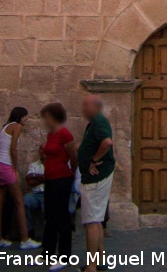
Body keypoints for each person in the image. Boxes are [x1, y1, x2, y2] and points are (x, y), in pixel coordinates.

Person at [0, 107, 40, 251]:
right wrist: (15, 168)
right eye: (25, 117)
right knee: (19, 202)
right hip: (6, 166)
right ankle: (25, 239)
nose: (27, 119)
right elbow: (13, 149)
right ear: (20, 117)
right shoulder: (16, 126)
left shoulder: (5, 127)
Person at [77, 96, 115, 272]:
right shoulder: (96, 122)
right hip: (98, 176)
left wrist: (93, 160)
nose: (83, 108)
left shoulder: (99, 121)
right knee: (97, 219)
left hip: (96, 178)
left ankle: (91, 266)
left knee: (91, 221)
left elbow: (107, 142)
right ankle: (99, 260)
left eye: (86, 105)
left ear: (96, 107)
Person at [40, 103, 77, 272]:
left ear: (53, 116)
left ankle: (64, 255)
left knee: (61, 216)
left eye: (46, 117)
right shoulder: (51, 134)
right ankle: (47, 253)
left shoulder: (64, 134)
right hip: (50, 178)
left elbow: (72, 155)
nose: (44, 120)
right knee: (50, 215)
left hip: (62, 178)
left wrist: (73, 172)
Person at [24, 145, 46, 237]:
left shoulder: (53, 164)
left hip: (47, 194)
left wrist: (34, 176)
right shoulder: (34, 165)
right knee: (22, 202)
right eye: (40, 149)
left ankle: (47, 235)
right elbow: (30, 182)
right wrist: (44, 177)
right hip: (35, 194)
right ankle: (29, 231)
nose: (42, 151)